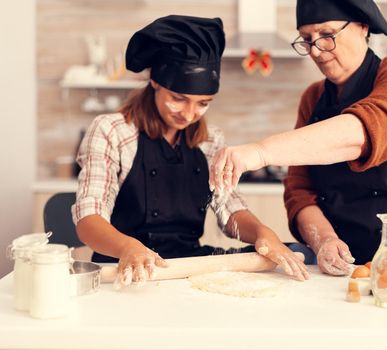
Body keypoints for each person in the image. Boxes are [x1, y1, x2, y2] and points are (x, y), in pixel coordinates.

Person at [209, 0, 387, 276]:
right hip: (349, 265)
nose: (316, 50)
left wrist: (260, 152)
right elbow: (300, 191)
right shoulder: (313, 98)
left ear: (363, 27)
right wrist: (324, 240)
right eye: (307, 39)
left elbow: (362, 132)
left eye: (327, 35)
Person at [72, 15, 309, 287]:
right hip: (123, 270)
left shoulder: (211, 141)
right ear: (155, 83)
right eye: (178, 99)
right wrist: (127, 247)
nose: (189, 114)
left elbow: (228, 210)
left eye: (203, 103)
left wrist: (262, 232)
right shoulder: (111, 131)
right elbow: (88, 220)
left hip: (187, 269)